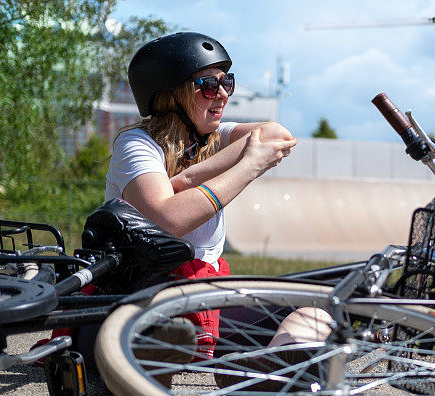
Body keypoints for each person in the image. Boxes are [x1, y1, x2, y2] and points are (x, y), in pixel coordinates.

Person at [105, 31, 297, 366]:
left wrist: (190, 177)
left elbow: (278, 134)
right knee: (165, 332)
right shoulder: (137, 144)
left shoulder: (211, 136)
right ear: (171, 94)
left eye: (228, 83)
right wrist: (247, 166)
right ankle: (163, 351)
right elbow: (168, 219)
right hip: (145, 289)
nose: (223, 94)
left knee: (311, 304)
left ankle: (273, 366)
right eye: (208, 85)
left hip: (202, 290)